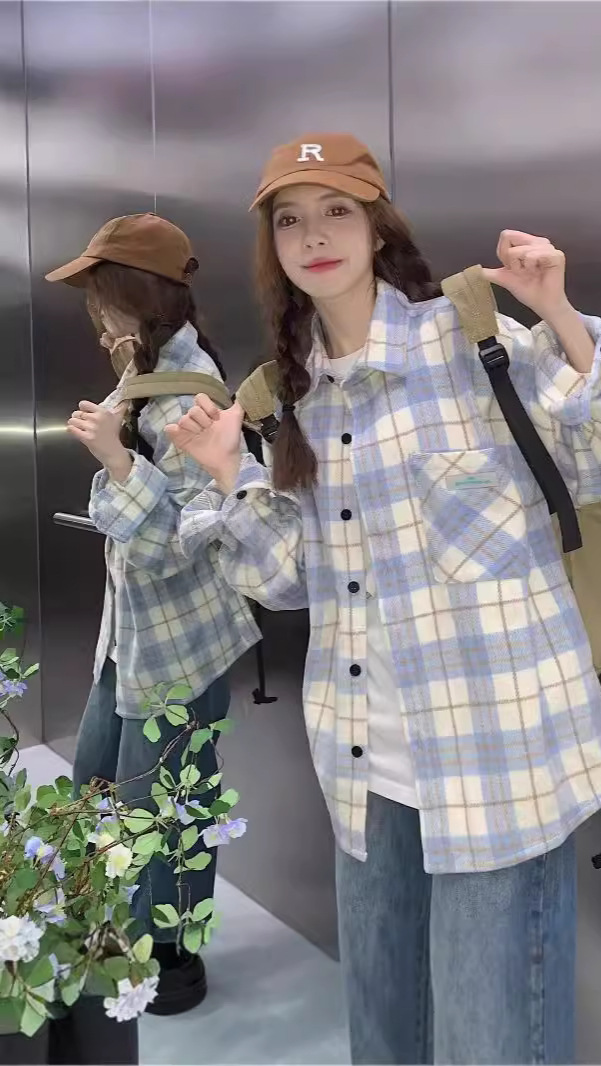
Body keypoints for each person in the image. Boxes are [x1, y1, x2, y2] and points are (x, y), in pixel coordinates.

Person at [168, 134, 601, 1063]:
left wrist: (559, 314)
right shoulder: (287, 394)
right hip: (364, 767)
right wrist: (228, 474)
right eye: (290, 220)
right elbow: (288, 582)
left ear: (377, 227)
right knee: (384, 1032)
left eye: (337, 211)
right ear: (273, 248)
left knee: (492, 1038)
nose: (314, 236)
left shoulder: (470, 338)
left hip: (498, 763)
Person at [44, 213, 262, 1016]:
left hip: (177, 647)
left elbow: (181, 541)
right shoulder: (146, 371)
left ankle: (165, 957)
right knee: (101, 788)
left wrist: (114, 459)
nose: (95, 313)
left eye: (101, 295)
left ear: (138, 293)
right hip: (132, 639)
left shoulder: (190, 391)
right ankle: (112, 932)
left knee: (166, 808)